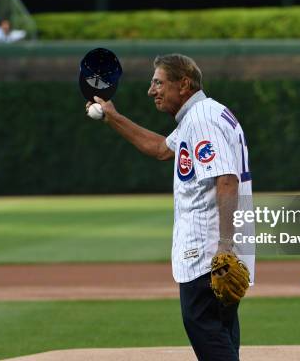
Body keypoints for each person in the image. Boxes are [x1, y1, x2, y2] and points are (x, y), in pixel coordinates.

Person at [86, 54, 255, 361]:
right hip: (220, 244)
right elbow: (162, 149)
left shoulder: (202, 119)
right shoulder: (201, 115)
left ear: (184, 84)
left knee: (201, 322)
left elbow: (227, 179)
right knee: (219, 326)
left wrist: (225, 245)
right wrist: (114, 117)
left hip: (209, 248)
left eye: (159, 83)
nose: (152, 91)